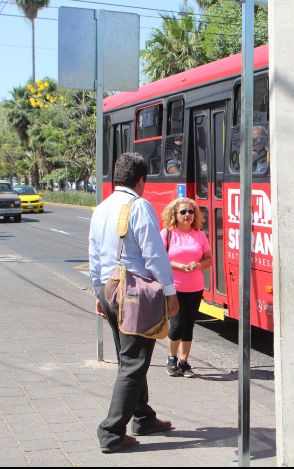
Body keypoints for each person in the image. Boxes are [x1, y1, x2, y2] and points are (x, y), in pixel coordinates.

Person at [88, 152, 180, 453]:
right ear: (141, 180)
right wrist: (169, 292)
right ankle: (111, 431)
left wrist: (97, 293)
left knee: (129, 357)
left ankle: (143, 417)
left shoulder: (101, 208)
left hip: (108, 288)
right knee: (134, 362)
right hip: (133, 293)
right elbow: (154, 253)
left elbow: (93, 255)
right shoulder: (138, 206)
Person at [160, 197, 212, 378]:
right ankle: (171, 358)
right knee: (177, 325)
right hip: (174, 287)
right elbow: (159, 259)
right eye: (183, 212)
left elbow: (209, 259)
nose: (188, 215)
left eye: (191, 211)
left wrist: (198, 266)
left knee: (189, 325)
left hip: (195, 287)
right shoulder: (167, 234)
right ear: (174, 214)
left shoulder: (200, 235)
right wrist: (177, 265)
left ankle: (184, 362)